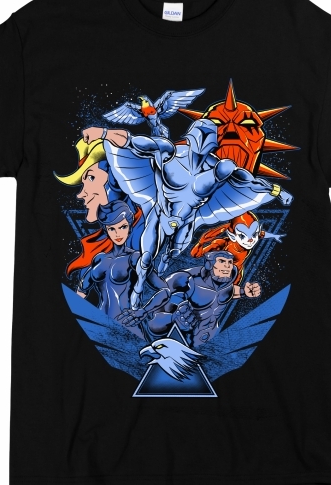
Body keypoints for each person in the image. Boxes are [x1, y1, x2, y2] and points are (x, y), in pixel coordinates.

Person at [82, 119, 292, 309]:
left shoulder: (220, 168)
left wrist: (276, 191)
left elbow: (248, 181)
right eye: (200, 136)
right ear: (190, 137)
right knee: (146, 258)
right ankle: (136, 293)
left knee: (173, 251)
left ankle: (166, 257)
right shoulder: (168, 153)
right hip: (161, 213)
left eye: (208, 139)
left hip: (187, 220)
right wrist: (102, 133)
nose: (203, 144)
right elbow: (132, 142)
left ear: (214, 143)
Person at [118, 251, 261, 348]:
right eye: (222, 261)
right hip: (176, 338)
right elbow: (164, 294)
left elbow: (228, 292)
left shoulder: (227, 284)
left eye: (230, 262)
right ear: (209, 264)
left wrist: (244, 292)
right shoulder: (186, 279)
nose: (227, 266)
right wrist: (145, 311)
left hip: (209, 341)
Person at [53, 138, 143, 274]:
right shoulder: (99, 251)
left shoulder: (148, 232)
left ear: (115, 180)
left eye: (91, 178)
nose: (81, 194)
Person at [78, 201, 167, 326]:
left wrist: (144, 311)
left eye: (122, 227)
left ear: (129, 227)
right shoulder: (99, 259)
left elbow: (165, 290)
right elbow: (81, 290)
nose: (117, 233)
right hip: (99, 324)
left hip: (126, 325)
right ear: (106, 230)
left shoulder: (135, 258)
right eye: (112, 229)